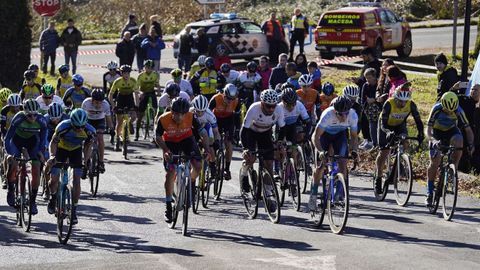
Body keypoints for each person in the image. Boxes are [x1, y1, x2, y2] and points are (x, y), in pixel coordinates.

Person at [155, 97, 212, 223]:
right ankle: (168, 205)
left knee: (198, 165)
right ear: (171, 110)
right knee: (170, 172)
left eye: (182, 114)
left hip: (187, 140)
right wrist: (165, 150)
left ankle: (191, 181)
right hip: (170, 143)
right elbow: (157, 136)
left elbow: (203, 133)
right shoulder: (163, 119)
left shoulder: (191, 117)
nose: (179, 117)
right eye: (176, 113)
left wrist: (207, 150)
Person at [309, 96, 359, 211]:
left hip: (340, 135)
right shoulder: (327, 115)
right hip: (324, 136)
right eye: (340, 114)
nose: (344, 117)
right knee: (320, 166)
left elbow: (354, 137)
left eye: (346, 113)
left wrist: (354, 150)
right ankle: (313, 194)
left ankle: (339, 194)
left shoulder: (352, 115)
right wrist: (321, 151)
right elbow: (316, 137)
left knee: (343, 163)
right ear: (334, 111)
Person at [47, 108, 95, 225]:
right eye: (76, 127)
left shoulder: (90, 130)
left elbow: (88, 146)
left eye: (82, 127)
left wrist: (86, 161)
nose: (79, 129)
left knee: (77, 181)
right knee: (53, 180)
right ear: (71, 122)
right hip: (61, 150)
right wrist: (52, 156)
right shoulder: (62, 127)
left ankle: (73, 210)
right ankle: (53, 198)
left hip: (76, 151)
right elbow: (53, 143)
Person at [425, 91, 474, 205]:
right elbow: (428, 130)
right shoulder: (436, 108)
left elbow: (468, 130)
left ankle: (452, 170)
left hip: (451, 131)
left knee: (459, 141)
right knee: (435, 162)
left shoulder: (459, 110)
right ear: (442, 104)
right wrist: (433, 140)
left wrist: (471, 145)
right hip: (436, 132)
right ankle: (429, 191)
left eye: (451, 110)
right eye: (447, 110)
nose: (449, 112)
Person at [374, 85, 424, 195]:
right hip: (385, 126)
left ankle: (398, 163)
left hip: (399, 125)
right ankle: (378, 178)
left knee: (405, 142)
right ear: (396, 98)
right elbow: (383, 124)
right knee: (384, 151)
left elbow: (418, 121)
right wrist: (387, 132)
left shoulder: (411, 105)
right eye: (400, 101)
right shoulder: (389, 103)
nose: (402, 104)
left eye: (405, 102)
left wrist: (420, 133)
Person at [4, 99, 47, 215]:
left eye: (35, 114)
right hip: (16, 141)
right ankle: (11, 189)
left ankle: (32, 201)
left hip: (32, 142)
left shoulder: (41, 120)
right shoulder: (18, 118)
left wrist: (41, 151)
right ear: (24, 112)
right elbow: (8, 138)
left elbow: (43, 139)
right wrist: (9, 153)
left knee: (36, 168)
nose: (33, 118)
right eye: (29, 115)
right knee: (13, 163)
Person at [240, 89, 286, 196]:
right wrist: (245, 148)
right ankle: (244, 172)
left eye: (273, 106)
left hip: (265, 134)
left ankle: (268, 191)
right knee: (250, 158)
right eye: (268, 106)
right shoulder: (254, 109)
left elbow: (283, 128)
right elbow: (244, 130)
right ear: (261, 103)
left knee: (269, 163)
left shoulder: (278, 109)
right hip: (251, 133)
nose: (271, 109)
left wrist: (279, 142)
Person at [209, 84, 241, 180]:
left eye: (232, 99)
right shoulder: (216, 98)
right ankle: (213, 165)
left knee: (229, 144)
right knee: (214, 144)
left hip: (228, 120)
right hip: (216, 120)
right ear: (224, 94)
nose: (229, 101)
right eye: (228, 99)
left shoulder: (236, 101)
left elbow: (237, 116)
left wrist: (237, 130)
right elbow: (207, 112)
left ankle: (227, 169)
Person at [82, 89, 114, 173]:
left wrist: (111, 129)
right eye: (96, 102)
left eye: (100, 102)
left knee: (100, 138)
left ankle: (101, 161)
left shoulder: (105, 104)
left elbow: (108, 118)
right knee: (88, 140)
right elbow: (82, 118)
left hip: (100, 120)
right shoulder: (86, 103)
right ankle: (85, 163)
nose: (98, 104)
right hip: (89, 121)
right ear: (92, 100)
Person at [108, 65, 138, 151]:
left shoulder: (133, 81)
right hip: (120, 98)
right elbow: (110, 94)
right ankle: (117, 138)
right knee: (120, 121)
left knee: (134, 116)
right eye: (124, 73)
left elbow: (136, 94)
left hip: (129, 98)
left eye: (128, 73)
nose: (126, 75)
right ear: (121, 74)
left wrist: (137, 105)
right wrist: (114, 106)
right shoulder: (117, 81)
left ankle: (130, 123)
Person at [136, 60, 160, 140]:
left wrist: (159, 91)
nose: (149, 69)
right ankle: (137, 133)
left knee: (156, 110)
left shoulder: (155, 75)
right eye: (147, 67)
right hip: (143, 93)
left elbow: (157, 85)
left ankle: (155, 129)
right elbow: (137, 88)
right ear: (144, 67)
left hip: (152, 92)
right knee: (140, 114)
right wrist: (140, 93)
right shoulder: (141, 76)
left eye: (151, 68)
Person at [360, 68, 381, 148]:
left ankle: (380, 143)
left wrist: (374, 100)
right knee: (372, 126)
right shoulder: (365, 86)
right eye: (366, 78)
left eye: (369, 78)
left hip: (379, 109)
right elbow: (363, 99)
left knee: (379, 126)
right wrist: (366, 106)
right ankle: (374, 143)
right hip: (369, 110)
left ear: (374, 77)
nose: (367, 80)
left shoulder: (379, 84)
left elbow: (381, 96)